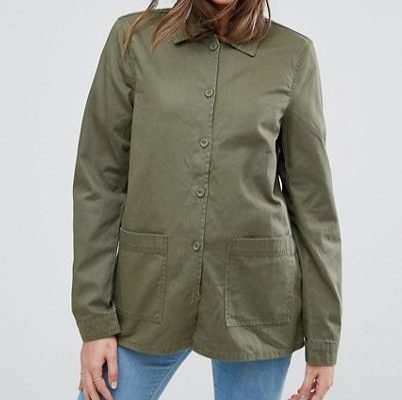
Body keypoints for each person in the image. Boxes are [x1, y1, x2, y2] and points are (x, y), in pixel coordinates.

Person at [71, 1, 342, 399]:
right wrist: (94, 320)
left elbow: (314, 210)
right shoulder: (134, 41)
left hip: (257, 303)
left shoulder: (293, 55)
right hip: (146, 294)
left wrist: (323, 343)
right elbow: (99, 181)